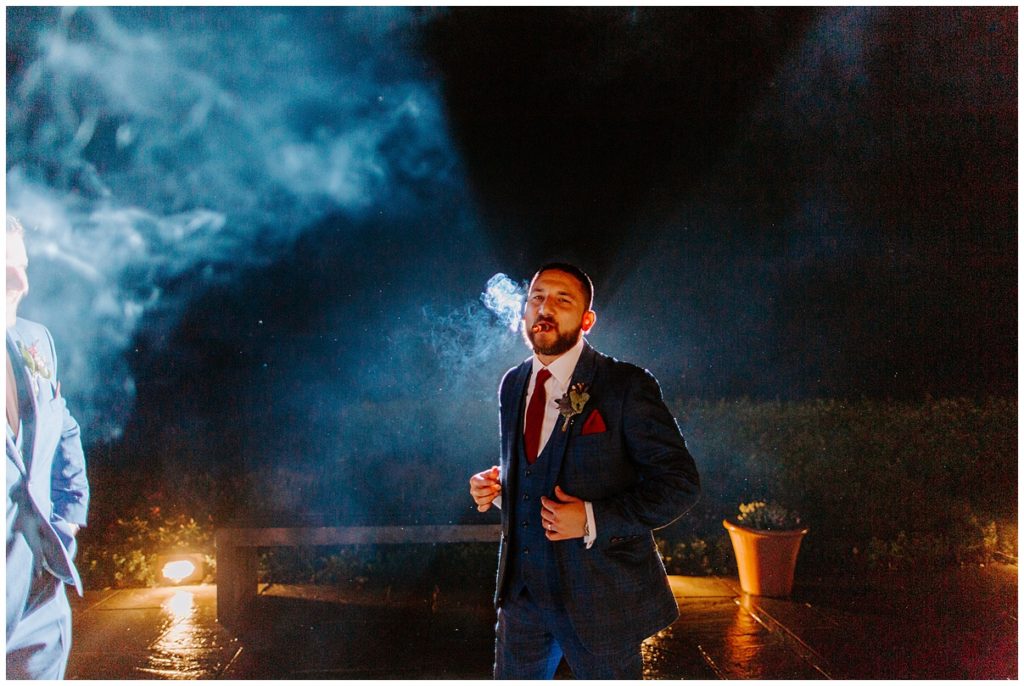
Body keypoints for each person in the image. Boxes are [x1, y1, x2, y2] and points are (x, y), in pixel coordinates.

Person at [469, 262, 700, 679]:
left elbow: (680, 483)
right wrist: (500, 485)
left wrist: (592, 518)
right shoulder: (513, 383)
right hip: (522, 597)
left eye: (563, 300)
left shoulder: (625, 384)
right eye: (537, 298)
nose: (545, 308)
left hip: (600, 598)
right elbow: (532, 466)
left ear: (587, 320)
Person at [6, 215, 89, 679]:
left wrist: (69, 517)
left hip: (40, 601)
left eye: (22, 266)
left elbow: (65, 428)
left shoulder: (34, 339)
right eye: (3, 268)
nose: (21, 283)